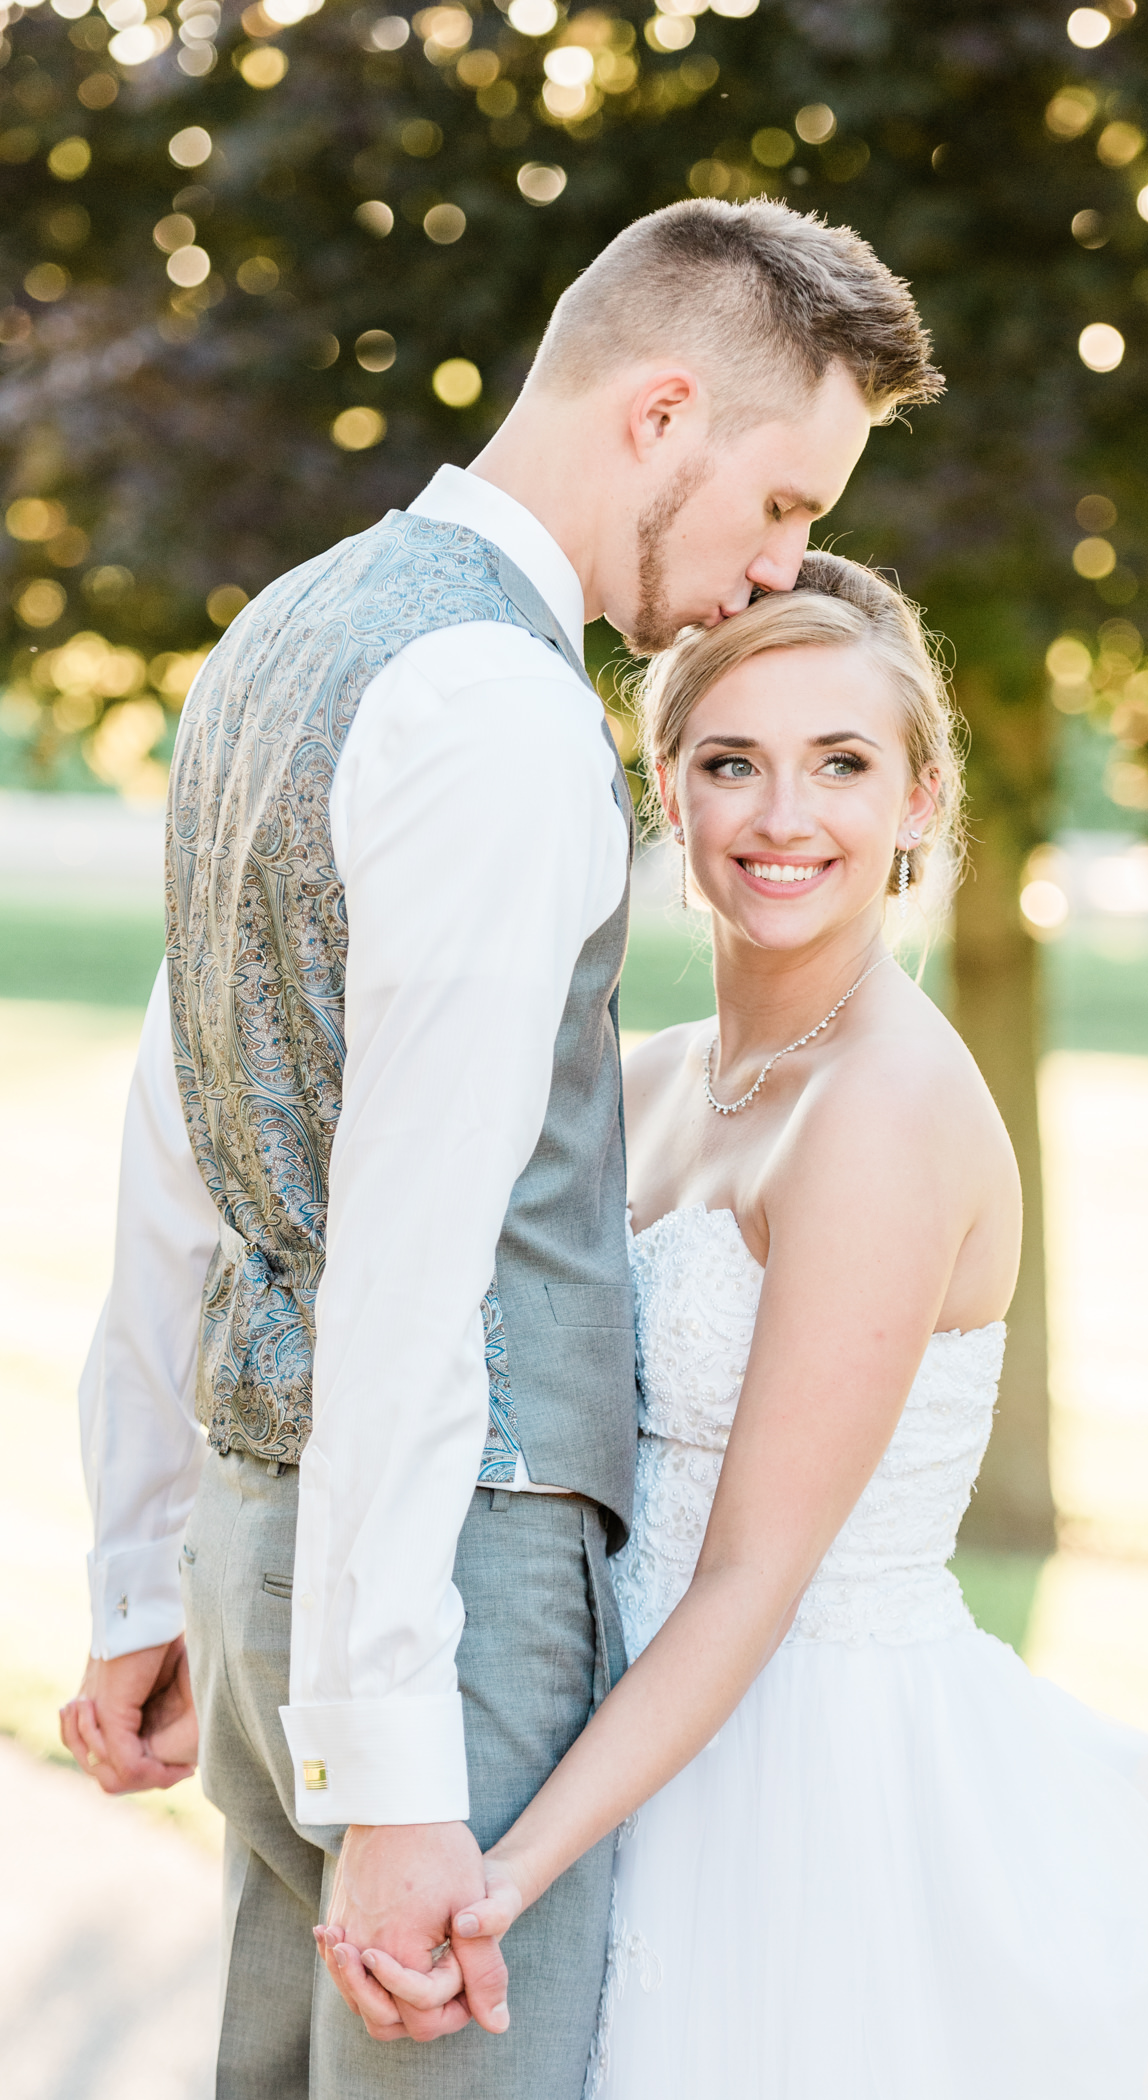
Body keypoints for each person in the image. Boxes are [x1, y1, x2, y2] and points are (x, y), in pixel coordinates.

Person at [59, 203, 942, 2098]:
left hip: (266, 1543)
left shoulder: (294, 631)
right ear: (662, 412)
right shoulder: (504, 712)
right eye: (781, 503)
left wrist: (147, 1563)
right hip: (437, 1607)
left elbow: (178, 1138)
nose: (779, 568)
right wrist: (396, 1769)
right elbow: (415, 1262)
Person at [337, 553, 1148, 2095]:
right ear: (666, 793)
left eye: (841, 764)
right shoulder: (655, 1076)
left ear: (920, 800)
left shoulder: (886, 1111)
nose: (780, 817)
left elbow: (753, 1572)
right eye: (729, 763)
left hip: (807, 1780)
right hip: (621, 1718)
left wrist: (504, 1872)